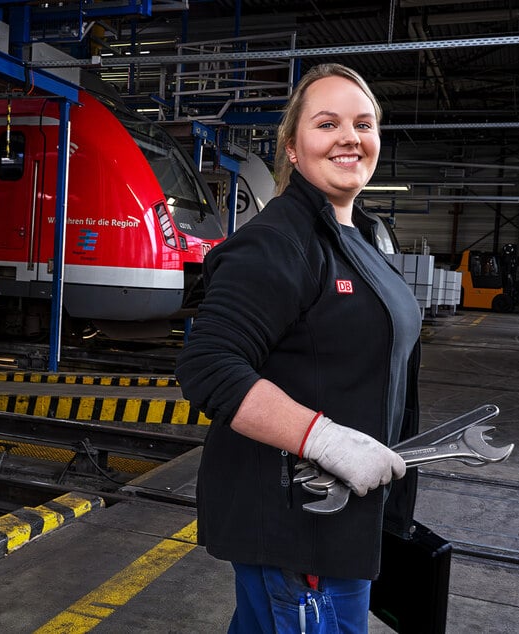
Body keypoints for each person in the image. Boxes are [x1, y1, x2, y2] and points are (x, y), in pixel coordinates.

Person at [175, 63, 423, 633]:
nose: (349, 138)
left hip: (344, 516)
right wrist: (327, 440)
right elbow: (209, 366)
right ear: (291, 146)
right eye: (327, 124)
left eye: (363, 124)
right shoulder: (278, 242)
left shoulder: (358, 237)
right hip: (300, 525)